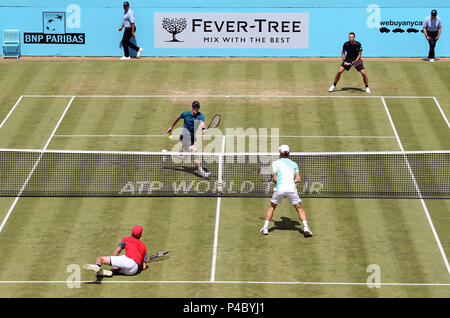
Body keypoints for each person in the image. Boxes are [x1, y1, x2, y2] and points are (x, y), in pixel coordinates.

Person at [260, 145, 313, 237]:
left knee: (272, 207)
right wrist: (290, 182)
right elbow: (298, 179)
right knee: (299, 208)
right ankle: (305, 227)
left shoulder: (275, 163)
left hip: (280, 189)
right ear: (289, 153)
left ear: (280, 153)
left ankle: (265, 228)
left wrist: (276, 181)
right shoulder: (294, 164)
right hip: (291, 188)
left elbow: (275, 179)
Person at [165, 101, 210, 178]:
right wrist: (171, 127)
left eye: (197, 107)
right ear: (192, 107)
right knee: (195, 151)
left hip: (191, 138)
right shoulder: (185, 114)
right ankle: (202, 172)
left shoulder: (200, 115)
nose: (196, 109)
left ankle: (166, 153)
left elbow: (203, 124)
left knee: (184, 157)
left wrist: (204, 129)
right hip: (185, 136)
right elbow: (177, 118)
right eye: (194, 107)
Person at [83, 225, 148, 277]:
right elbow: (144, 266)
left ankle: (97, 266)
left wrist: (114, 264)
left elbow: (117, 252)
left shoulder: (126, 239)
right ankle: (110, 272)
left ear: (132, 233)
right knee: (118, 267)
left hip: (128, 261)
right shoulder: (143, 246)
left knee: (99, 259)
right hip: (133, 271)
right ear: (140, 235)